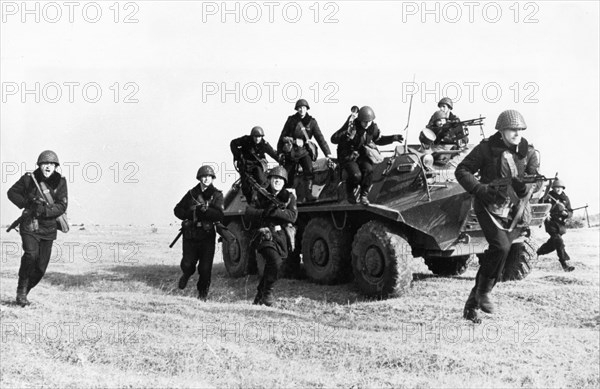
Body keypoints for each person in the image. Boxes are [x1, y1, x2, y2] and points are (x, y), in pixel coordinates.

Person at [455, 109, 540, 323]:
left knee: (501, 253)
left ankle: (472, 304)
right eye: (512, 129)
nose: (517, 133)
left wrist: (525, 187)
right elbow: (462, 170)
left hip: (515, 210)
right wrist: (480, 189)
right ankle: (483, 293)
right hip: (488, 205)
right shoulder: (486, 149)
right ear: (501, 130)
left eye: (520, 129)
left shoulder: (528, 152)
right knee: (500, 247)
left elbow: (536, 180)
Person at [7, 150, 68, 307]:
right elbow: (12, 193)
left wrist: (45, 211)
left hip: (48, 229)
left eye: (52, 164)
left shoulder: (61, 182)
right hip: (30, 225)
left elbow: (62, 205)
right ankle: (21, 292)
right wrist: (27, 202)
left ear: (56, 167)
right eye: (45, 164)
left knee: (40, 268)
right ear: (40, 165)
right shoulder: (29, 179)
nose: (48, 167)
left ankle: (24, 291)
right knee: (31, 255)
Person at [244, 166, 298, 306]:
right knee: (275, 262)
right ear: (270, 179)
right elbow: (248, 212)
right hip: (263, 233)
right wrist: (263, 212)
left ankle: (259, 296)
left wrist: (275, 212)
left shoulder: (289, 197)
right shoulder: (260, 194)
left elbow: (292, 216)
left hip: (280, 236)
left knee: (272, 265)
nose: (277, 181)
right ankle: (268, 295)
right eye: (275, 178)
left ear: (284, 182)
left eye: (280, 179)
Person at [331, 106, 403, 205]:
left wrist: (393, 138)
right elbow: (334, 139)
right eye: (364, 122)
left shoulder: (372, 128)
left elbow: (379, 139)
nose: (367, 124)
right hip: (348, 155)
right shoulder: (352, 126)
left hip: (362, 155)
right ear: (359, 120)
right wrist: (346, 134)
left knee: (369, 171)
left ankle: (363, 196)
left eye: (369, 122)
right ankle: (349, 191)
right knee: (356, 175)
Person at [174, 165, 224, 300]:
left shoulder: (217, 195)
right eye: (204, 176)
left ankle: (202, 295)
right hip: (190, 234)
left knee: (205, 269)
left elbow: (220, 215)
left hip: (207, 236)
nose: (206, 179)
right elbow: (177, 210)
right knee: (187, 263)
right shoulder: (191, 194)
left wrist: (206, 211)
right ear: (199, 178)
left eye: (209, 176)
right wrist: (189, 213)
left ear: (212, 178)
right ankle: (186, 274)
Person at [277, 99, 333, 201]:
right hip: (291, 151)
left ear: (307, 109)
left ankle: (309, 194)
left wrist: (328, 154)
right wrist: (280, 152)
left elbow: (320, 138)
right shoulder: (291, 120)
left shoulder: (312, 122)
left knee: (309, 170)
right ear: (297, 109)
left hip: (304, 151)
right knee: (288, 174)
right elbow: (282, 136)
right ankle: (285, 197)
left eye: (303, 108)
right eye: (299, 108)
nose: (301, 110)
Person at [230, 126, 279, 203]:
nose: (257, 139)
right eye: (255, 136)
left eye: (259, 137)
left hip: (257, 165)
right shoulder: (246, 140)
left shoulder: (264, 144)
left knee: (261, 180)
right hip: (245, 164)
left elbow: (273, 154)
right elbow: (233, 143)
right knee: (245, 186)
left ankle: (263, 197)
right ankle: (249, 200)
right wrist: (237, 156)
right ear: (252, 136)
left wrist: (282, 163)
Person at [537, 178, 575, 272]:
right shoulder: (547, 196)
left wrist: (567, 214)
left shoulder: (565, 198)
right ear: (553, 188)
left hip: (561, 224)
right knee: (559, 241)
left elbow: (570, 211)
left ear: (563, 188)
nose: (558, 189)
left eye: (560, 187)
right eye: (556, 187)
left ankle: (538, 252)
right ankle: (564, 264)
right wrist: (546, 214)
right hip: (551, 223)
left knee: (554, 243)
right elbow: (539, 205)